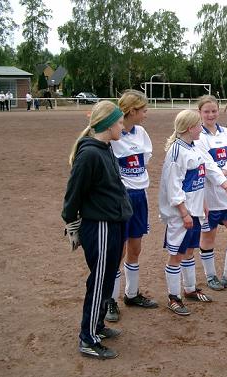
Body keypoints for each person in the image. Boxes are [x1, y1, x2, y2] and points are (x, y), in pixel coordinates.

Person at [62, 101, 132, 359]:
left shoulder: (105, 148)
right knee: (99, 281)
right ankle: (87, 338)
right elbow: (74, 192)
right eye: (119, 122)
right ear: (107, 124)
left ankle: (98, 326)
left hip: (113, 222)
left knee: (107, 277)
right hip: (100, 225)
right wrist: (71, 222)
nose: (122, 127)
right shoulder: (90, 153)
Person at [105, 90, 158, 323]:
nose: (146, 114)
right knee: (119, 251)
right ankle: (110, 301)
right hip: (120, 198)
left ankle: (131, 294)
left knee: (135, 248)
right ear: (132, 111)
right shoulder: (112, 134)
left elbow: (145, 158)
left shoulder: (141, 132)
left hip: (140, 195)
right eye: (143, 110)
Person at [159, 110, 217, 316]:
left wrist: (202, 204)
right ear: (189, 128)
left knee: (190, 251)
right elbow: (174, 186)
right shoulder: (176, 151)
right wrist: (183, 212)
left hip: (195, 210)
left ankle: (190, 289)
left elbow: (198, 182)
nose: (202, 128)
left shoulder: (193, 147)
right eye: (199, 125)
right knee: (176, 255)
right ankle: (173, 298)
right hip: (181, 214)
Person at [193, 95, 227, 290]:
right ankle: (210, 276)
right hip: (209, 197)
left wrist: (222, 171)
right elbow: (205, 165)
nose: (210, 114)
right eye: (206, 111)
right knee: (208, 238)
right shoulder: (198, 137)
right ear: (199, 113)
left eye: (214, 110)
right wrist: (224, 173)